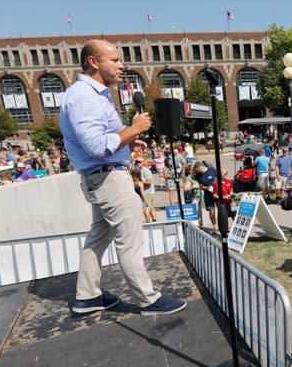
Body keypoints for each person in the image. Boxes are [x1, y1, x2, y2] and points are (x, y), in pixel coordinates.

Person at [58, 39, 186, 316]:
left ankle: (87, 296)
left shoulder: (89, 93)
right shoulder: (85, 96)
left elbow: (98, 142)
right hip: (108, 181)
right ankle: (148, 300)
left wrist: (126, 143)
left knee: (98, 238)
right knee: (129, 243)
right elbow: (95, 146)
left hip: (100, 177)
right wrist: (133, 129)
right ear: (93, 62)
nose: (122, 65)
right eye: (114, 60)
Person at [196, 161, 219, 230]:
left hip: (217, 193)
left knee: (221, 209)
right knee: (211, 211)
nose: (200, 171)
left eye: (200, 169)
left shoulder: (212, 169)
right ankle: (215, 227)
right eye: (198, 171)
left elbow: (218, 178)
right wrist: (207, 188)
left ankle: (222, 224)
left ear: (202, 166)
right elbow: (201, 186)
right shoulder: (198, 176)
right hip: (208, 194)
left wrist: (215, 186)